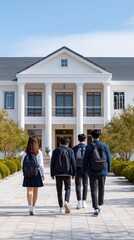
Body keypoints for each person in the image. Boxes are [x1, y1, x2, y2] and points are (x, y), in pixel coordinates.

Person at [82, 129, 111, 216]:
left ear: (91, 136)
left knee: (93, 189)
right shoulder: (105, 146)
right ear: (100, 136)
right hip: (102, 171)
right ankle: (100, 205)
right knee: (101, 188)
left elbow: (85, 160)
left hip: (92, 171)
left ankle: (95, 208)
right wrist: (107, 170)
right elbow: (109, 159)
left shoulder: (89, 146)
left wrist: (84, 171)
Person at [51, 137, 76, 213]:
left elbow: (52, 163)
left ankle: (61, 207)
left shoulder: (55, 151)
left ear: (60, 143)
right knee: (68, 188)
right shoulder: (70, 151)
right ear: (67, 143)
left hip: (57, 173)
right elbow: (73, 162)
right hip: (67, 173)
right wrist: (74, 173)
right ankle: (66, 201)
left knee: (59, 190)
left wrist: (52, 174)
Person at [21, 136, 45, 215]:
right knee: (35, 191)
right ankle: (34, 207)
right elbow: (41, 165)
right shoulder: (39, 152)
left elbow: (22, 164)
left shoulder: (25, 152)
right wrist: (42, 174)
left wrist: (24, 172)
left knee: (29, 190)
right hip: (36, 173)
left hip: (28, 174)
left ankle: (30, 207)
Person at [73, 134, 88, 209]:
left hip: (77, 168)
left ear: (78, 139)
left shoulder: (75, 148)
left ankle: (79, 201)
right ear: (85, 139)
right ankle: (84, 201)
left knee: (78, 185)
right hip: (85, 169)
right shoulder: (87, 147)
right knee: (85, 185)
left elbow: (72, 160)